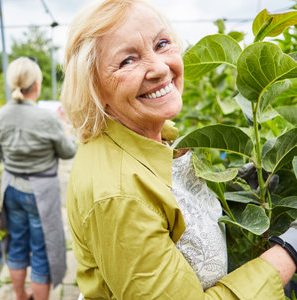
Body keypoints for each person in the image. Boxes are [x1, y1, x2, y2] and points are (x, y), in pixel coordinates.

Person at [60, 0, 297, 299]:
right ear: (93, 86)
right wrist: (290, 248)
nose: (160, 68)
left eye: (162, 43)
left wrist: (238, 183)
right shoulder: (118, 196)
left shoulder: (154, 138)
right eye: (127, 60)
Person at [0, 57, 76, 300]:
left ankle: (19, 295)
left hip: (11, 189)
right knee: (41, 250)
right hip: (41, 192)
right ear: (36, 84)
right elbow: (68, 152)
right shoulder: (48, 119)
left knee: (16, 243)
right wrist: (65, 129)